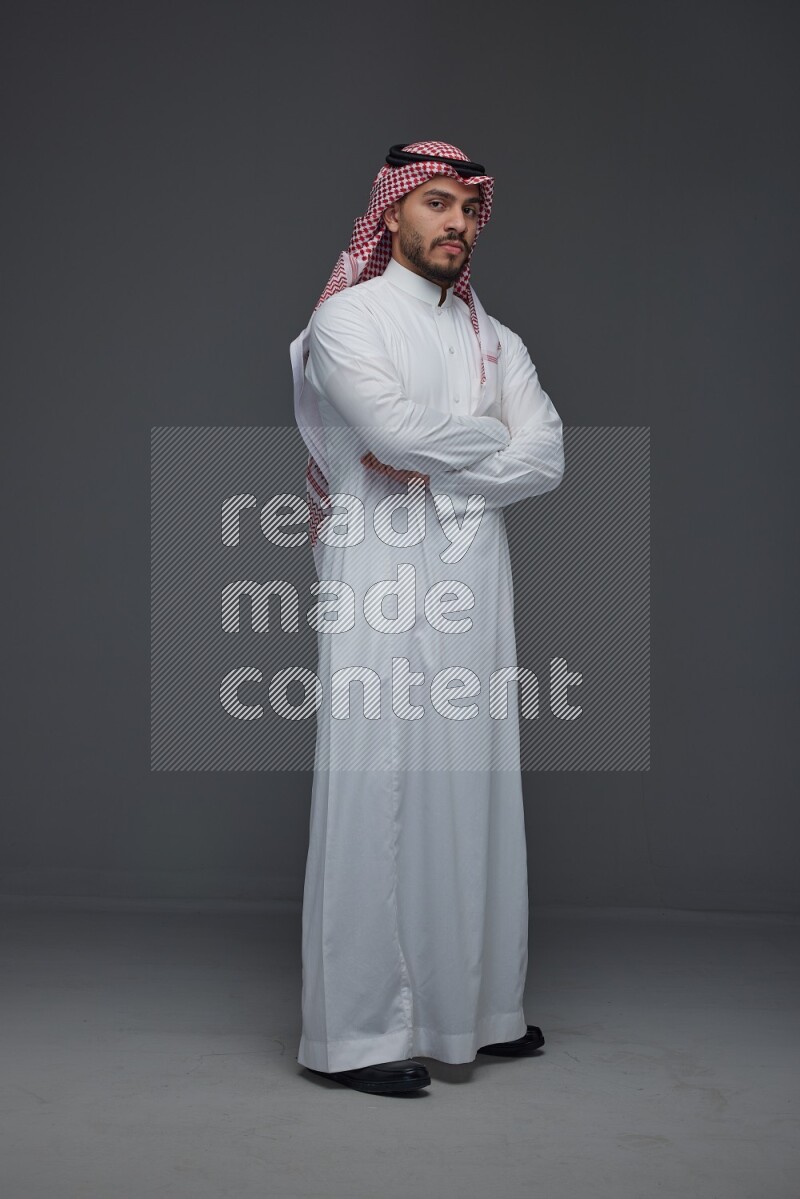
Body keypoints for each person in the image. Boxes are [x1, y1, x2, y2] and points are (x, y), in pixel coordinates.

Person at [289, 141, 565, 1095]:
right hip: (376, 572)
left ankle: (476, 1013)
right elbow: (390, 433)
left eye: (469, 210)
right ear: (393, 213)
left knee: (473, 782)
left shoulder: (500, 342)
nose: (455, 222)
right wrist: (485, 446)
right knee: (377, 783)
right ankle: (359, 1035)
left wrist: (443, 459)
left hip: (475, 581)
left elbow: (549, 457)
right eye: (436, 203)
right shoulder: (346, 319)